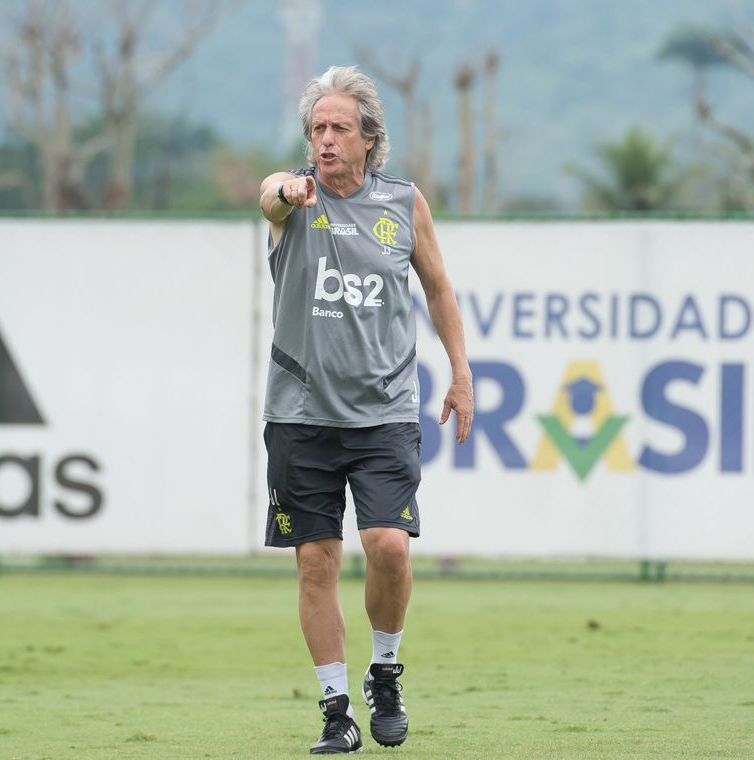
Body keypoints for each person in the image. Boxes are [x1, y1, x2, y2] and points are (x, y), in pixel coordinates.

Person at [258, 66, 473, 754]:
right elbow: (270, 198)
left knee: (387, 546)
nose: (324, 140)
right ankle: (334, 711)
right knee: (315, 562)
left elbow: (439, 291)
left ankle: (385, 670)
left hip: (383, 412)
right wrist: (286, 190)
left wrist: (461, 372)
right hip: (299, 414)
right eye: (316, 129)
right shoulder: (291, 196)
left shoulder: (403, 204)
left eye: (338, 128)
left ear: (369, 138)